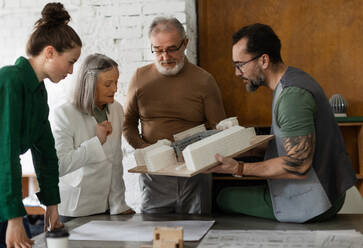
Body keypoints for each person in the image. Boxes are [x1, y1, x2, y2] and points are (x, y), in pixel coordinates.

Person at [208, 23, 357, 223]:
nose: (237, 73)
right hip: (326, 190)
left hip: (316, 201)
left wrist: (238, 168)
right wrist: (248, 149)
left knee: (220, 196)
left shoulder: (292, 97)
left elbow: (298, 165)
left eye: (240, 65)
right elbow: (286, 144)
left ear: (264, 60)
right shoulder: (293, 79)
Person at [123, 17, 226, 214]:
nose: (165, 57)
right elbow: (127, 125)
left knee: (197, 233)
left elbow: (218, 129)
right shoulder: (139, 77)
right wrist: (150, 151)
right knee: (154, 235)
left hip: (195, 173)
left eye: (171, 49)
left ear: (185, 43)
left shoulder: (204, 80)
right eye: (158, 50)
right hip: (154, 174)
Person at [0, 2, 82, 247]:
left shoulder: (38, 92)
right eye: (70, 61)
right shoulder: (11, 79)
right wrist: (14, 218)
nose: (71, 70)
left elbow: (45, 151)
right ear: (49, 52)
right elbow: (5, 152)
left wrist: (52, 204)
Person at [51, 54, 134, 222]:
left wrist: (119, 204)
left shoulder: (116, 109)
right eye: (108, 84)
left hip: (108, 207)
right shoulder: (63, 113)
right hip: (76, 209)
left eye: (116, 82)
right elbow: (60, 165)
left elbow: (116, 161)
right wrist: (97, 142)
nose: (115, 89)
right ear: (89, 85)